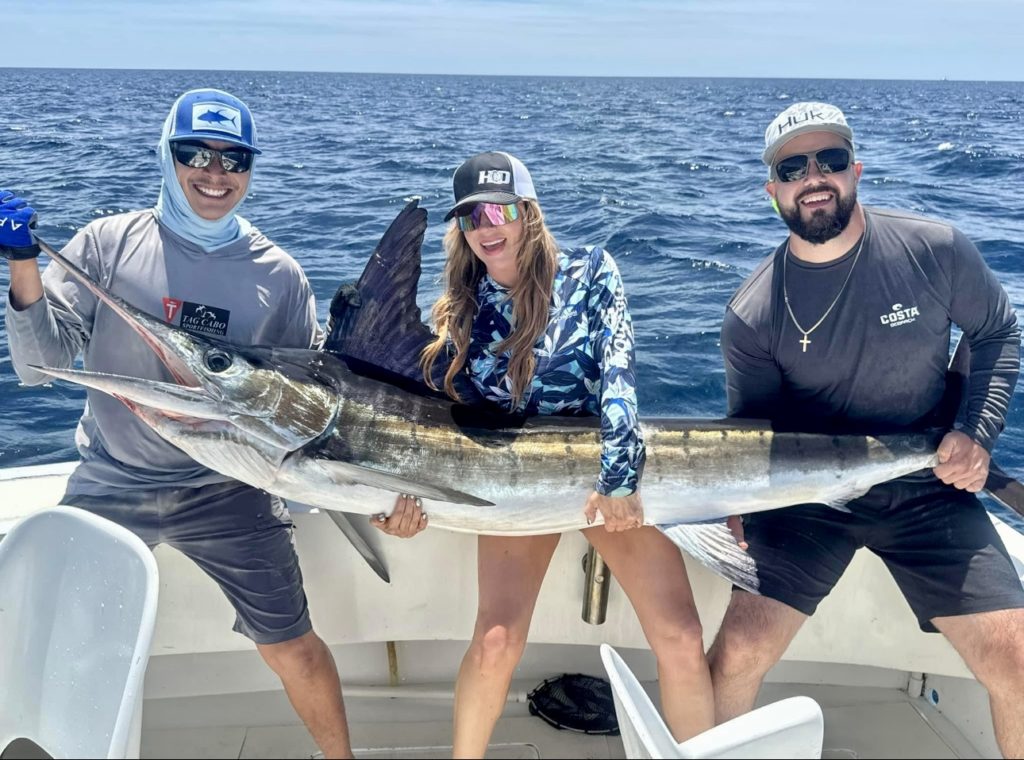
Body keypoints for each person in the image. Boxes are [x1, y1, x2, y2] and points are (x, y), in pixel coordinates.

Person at [1, 88, 354, 758]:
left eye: (234, 158)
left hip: (229, 490)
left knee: (295, 651)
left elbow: (303, 407)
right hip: (112, 483)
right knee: (62, 647)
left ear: (251, 169)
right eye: (195, 152)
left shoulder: (280, 278)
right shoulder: (107, 243)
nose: (214, 172)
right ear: (168, 154)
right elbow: (41, 368)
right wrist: (23, 268)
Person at [372, 151, 714, 757]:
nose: (487, 226)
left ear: (528, 212)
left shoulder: (591, 272)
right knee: (497, 639)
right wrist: (396, 505)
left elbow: (619, 378)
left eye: (499, 208)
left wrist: (618, 479)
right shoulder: (460, 312)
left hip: (605, 474)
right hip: (516, 481)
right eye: (471, 216)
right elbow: (443, 428)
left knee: (682, 637)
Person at [711, 101, 1024, 757]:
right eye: (793, 166)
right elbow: (754, 435)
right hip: (807, 505)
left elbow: (997, 331)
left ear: (855, 169)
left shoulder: (933, 249)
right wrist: (734, 504)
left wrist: (977, 431)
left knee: (1018, 665)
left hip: (929, 488)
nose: (814, 176)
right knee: (734, 656)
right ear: (773, 190)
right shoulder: (753, 312)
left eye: (829, 159)